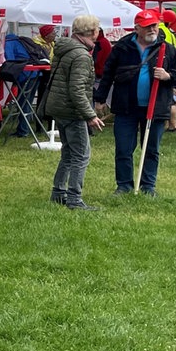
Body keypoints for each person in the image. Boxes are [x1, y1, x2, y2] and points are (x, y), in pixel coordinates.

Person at [94, 8, 176, 197]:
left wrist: (168, 75)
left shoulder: (167, 48)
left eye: (154, 25)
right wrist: (100, 99)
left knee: (151, 149)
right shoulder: (122, 47)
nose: (152, 29)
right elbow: (108, 73)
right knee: (123, 148)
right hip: (126, 106)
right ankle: (124, 185)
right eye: (147, 27)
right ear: (137, 29)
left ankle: (148, 186)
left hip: (155, 107)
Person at [44, 14, 105, 210]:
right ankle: (74, 199)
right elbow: (77, 89)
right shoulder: (81, 55)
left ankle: (58, 192)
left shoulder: (65, 49)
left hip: (59, 108)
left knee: (69, 153)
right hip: (72, 111)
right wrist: (91, 115)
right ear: (94, 32)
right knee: (81, 155)